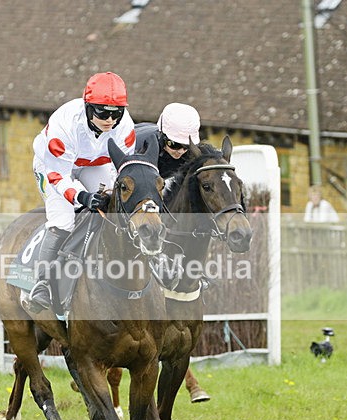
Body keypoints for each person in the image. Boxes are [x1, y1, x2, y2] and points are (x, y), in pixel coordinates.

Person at [25, 71, 137, 312]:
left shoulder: (125, 126)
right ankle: (41, 283)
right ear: (88, 107)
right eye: (102, 113)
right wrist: (83, 197)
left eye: (116, 113)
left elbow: (123, 170)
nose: (110, 120)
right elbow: (58, 176)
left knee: (113, 207)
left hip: (93, 164)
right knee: (63, 220)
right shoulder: (64, 124)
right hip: (53, 167)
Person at [136, 102, 211, 403]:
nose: (179, 152)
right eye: (174, 146)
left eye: (185, 147)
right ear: (161, 136)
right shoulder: (144, 144)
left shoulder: (188, 150)